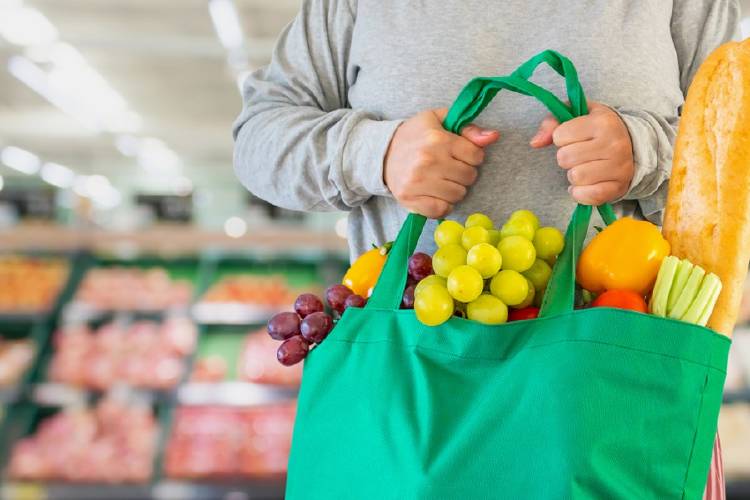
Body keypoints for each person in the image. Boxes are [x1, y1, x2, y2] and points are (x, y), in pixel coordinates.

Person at [233, 1, 739, 497]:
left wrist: (644, 150)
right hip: (409, 401)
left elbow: (738, 141)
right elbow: (258, 138)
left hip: (617, 398)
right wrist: (377, 154)